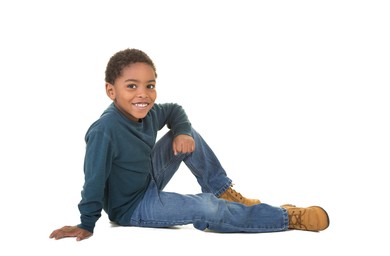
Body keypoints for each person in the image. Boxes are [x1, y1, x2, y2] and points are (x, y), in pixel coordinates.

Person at [49, 48, 329, 241]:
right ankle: (286, 218)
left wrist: (181, 131)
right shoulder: (105, 130)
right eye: (131, 86)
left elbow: (175, 111)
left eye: (150, 85)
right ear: (111, 90)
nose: (143, 95)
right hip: (131, 206)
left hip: (146, 178)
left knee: (186, 134)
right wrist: (86, 223)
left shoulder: (148, 111)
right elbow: (93, 180)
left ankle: (224, 191)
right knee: (207, 208)